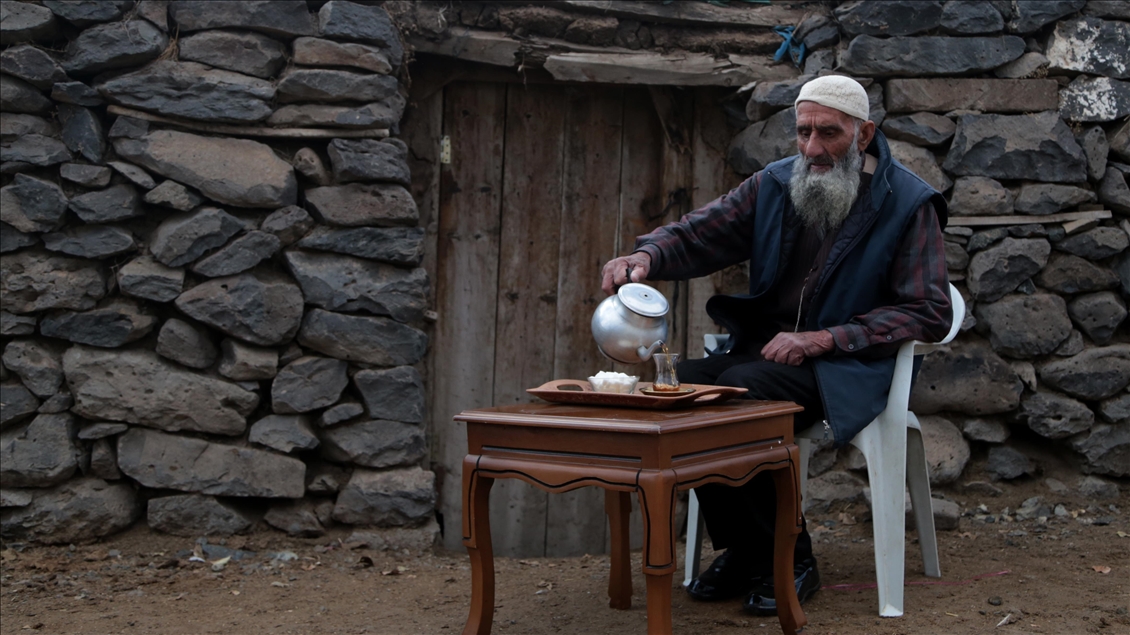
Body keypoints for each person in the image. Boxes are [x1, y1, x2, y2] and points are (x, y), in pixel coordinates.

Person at [599, 75, 953, 616]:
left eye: (828, 134)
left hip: (847, 366)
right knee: (681, 387)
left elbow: (928, 310)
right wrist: (646, 257)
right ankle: (746, 551)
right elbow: (700, 233)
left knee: (742, 392)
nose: (812, 149)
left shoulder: (908, 202)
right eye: (803, 132)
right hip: (767, 352)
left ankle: (790, 558)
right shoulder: (774, 184)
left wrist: (825, 338)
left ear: (863, 135)